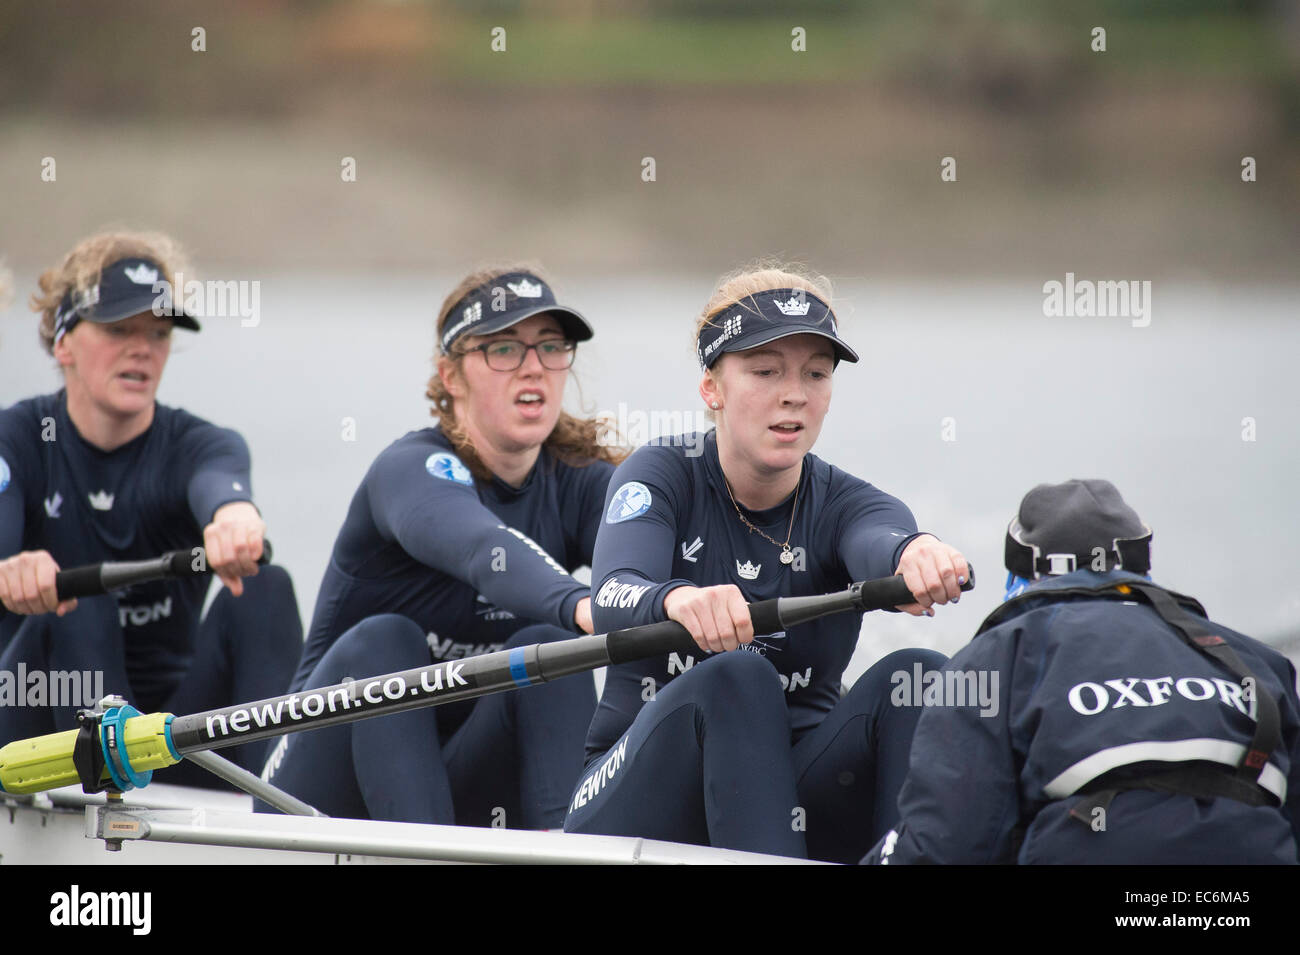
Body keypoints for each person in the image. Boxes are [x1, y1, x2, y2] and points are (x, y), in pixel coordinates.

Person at [562, 264, 969, 862]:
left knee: (921, 674)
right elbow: (612, 594)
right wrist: (679, 600)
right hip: (633, 794)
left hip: (792, 790)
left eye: (815, 373)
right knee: (736, 673)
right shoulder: (661, 475)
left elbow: (881, 541)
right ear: (712, 389)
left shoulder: (853, 503)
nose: (794, 393)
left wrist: (915, 554)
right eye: (765, 370)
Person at [260, 265, 622, 828]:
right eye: (504, 348)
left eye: (551, 346)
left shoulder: (580, 480)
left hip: (451, 780)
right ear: (450, 375)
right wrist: (588, 604)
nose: (533, 366)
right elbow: (483, 550)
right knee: (387, 639)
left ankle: (567, 847)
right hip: (314, 785)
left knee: (549, 647)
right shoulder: (408, 471)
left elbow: (661, 560)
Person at [863, 479, 1300, 864]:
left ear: (1021, 577)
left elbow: (945, 847)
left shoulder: (999, 654)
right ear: (1140, 567)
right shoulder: (1258, 660)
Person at [0, 231, 302, 784]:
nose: (143, 347)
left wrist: (235, 522)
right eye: (119, 329)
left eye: (158, 333)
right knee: (80, 602)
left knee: (266, 586)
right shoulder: (14, 440)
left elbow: (223, 491)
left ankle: (277, 803)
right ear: (63, 343)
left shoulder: (203, 444)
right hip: (35, 738)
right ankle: (103, 793)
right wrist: (10, 571)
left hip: (166, 740)